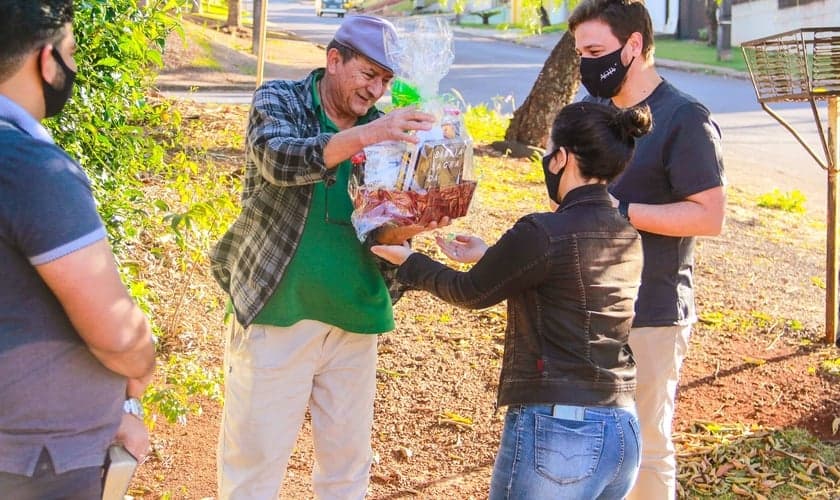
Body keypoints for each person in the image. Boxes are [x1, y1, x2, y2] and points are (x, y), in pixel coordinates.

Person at [210, 15, 447, 499]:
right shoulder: (280, 99)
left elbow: (386, 224)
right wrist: (372, 133)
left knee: (346, 467)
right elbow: (278, 159)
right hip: (279, 307)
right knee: (254, 461)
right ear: (333, 59)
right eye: (368, 75)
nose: (376, 90)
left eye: (385, 81)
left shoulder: (387, 128)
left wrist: (420, 220)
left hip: (356, 312)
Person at [372, 101, 652, 499]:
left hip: (561, 430)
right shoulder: (626, 234)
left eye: (550, 150)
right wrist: (491, 256)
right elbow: (569, 285)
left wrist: (410, 262)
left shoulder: (544, 230)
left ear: (564, 158)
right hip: (621, 431)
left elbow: (470, 293)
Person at [568, 1, 727, 498]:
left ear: (633, 46)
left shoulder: (684, 118)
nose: (586, 65)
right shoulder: (596, 116)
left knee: (646, 447)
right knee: (592, 444)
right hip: (590, 305)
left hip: (651, 314)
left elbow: (710, 215)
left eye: (595, 51)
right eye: (579, 53)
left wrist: (622, 210)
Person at [0, 1, 156, 498]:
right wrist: (143, 367)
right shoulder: (30, 168)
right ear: (47, 61)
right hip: (36, 462)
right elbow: (115, 334)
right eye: (69, 53)